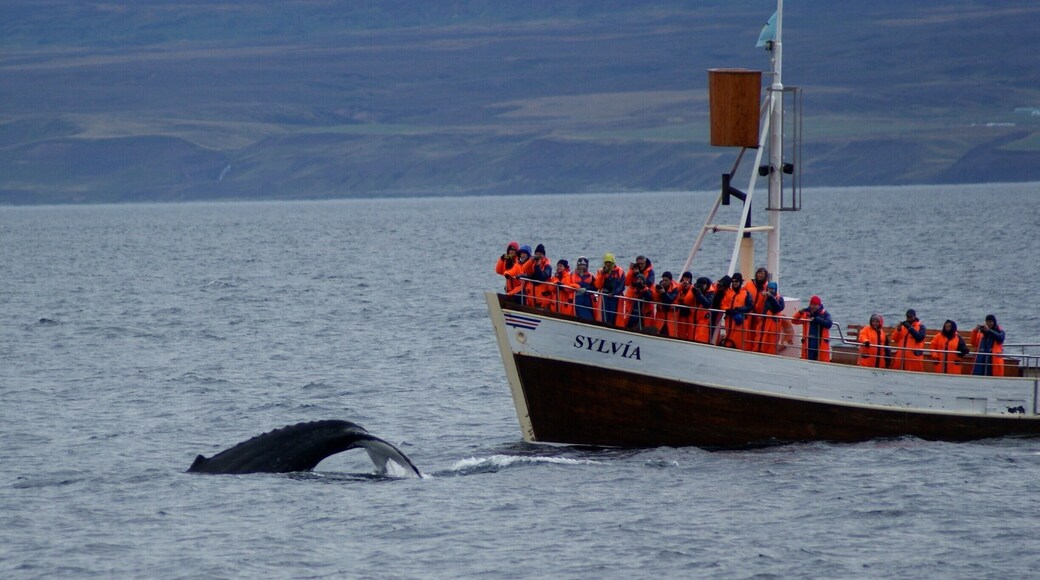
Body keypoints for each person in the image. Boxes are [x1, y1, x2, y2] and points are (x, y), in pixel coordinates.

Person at [793, 295, 832, 362]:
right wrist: (799, 313)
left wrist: (817, 319)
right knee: (808, 361)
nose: (813, 306)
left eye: (815, 305)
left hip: (820, 343)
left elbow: (829, 324)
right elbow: (794, 321)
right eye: (811, 304)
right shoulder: (806, 314)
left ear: (819, 305)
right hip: (809, 343)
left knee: (820, 363)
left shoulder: (825, 314)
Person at [719, 273, 753, 349]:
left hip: (740, 322)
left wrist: (738, 310)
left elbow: (749, 307)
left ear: (740, 282)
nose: (734, 283)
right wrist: (729, 310)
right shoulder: (728, 292)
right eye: (733, 281)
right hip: (729, 321)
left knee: (739, 343)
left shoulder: (746, 294)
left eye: (736, 281)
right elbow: (722, 304)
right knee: (728, 340)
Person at [594, 253, 626, 327]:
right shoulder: (601, 271)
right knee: (603, 314)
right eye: (607, 263)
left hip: (615, 297)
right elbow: (598, 285)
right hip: (604, 296)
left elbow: (622, 286)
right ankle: (604, 326)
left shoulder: (620, 271)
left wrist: (614, 293)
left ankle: (613, 326)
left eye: (610, 263)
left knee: (614, 314)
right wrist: (602, 275)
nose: (608, 265)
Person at [754, 281, 785, 354]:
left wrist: (770, 297)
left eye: (772, 289)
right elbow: (758, 308)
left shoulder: (780, 299)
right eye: (769, 289)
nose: (770, 290)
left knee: (771, 347)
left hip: (773, 327)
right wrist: (762, 296)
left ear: (775, 289)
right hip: (763, 326)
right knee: (758, 343)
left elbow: (778, 308)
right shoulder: (764, 298)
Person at [571, 256, 600, 322]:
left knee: (590, 316)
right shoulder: (572, 275)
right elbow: (568, 284)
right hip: (577, 298)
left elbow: (595, 287)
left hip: (588, 299)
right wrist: (577, 287)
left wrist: (586, 289)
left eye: (584, 265)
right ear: (578, 265)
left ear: (587, 266)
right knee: (580, 315)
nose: (582, 267)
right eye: (580, 265)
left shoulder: (591, 276)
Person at [651, 272, 680, 337]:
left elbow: (670, 300)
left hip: (671, 319)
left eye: (666, 280)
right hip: (660, 318)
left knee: (671, 335)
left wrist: (663, 293)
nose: (664, 282)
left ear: (670, 280)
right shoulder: (659, 287)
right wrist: (657, 291)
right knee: (658, 334)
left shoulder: (675, 290)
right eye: (663, 280)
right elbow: (653, 298)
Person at [527, 243, 554, 309]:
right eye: (537, 254)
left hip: (543, 303)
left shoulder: (548, 267)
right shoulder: (532, 265)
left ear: (544, 255)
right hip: (531, 301)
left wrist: (537, 267)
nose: (538, 256)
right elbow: (525, 270)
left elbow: (542, 277)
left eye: (540, 254)